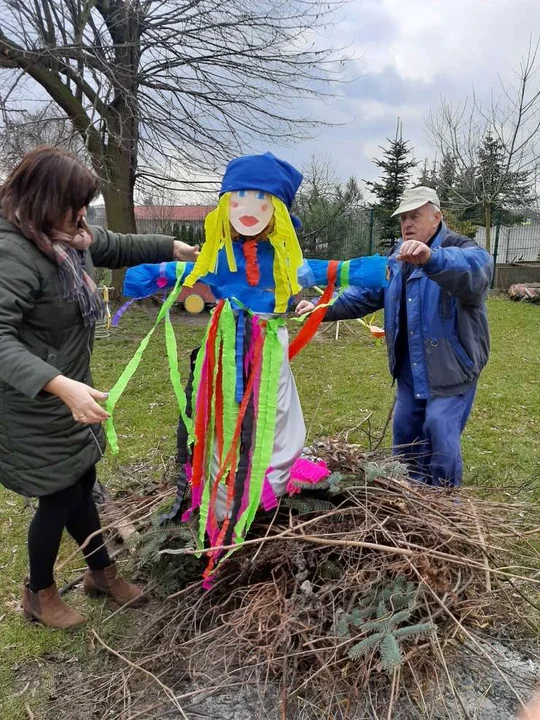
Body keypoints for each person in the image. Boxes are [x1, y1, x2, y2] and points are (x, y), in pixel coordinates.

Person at [117, 152, 387, 583]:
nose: (248, 210)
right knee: (225, 423)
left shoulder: (286, 262)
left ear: (275, 210)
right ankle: (225, 509)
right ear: (225, 205)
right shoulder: (219, 257)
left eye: (260, 201)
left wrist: (383, 269)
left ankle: (269, 485)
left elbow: (333, 270)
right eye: (238, 199)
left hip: (270, 348)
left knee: (276, 416)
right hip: (224, 351)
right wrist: (148, 276)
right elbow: (185, 271)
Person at [0, 146, 198, 628]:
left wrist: (173, 248)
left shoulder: (67, 237)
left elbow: (112, 245)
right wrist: (57, 384)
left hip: (69, 390)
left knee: (82, 479)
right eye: (75, 205)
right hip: (33, 399)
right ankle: (38, 591)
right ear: (47, 201)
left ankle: (100, 573)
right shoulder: (13, 253)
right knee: (58, 493)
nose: (82, 216)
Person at [296, 186, 493, 488]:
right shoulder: (396, 258)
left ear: (437, 217)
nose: (407, 224)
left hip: (452, 369)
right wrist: (322, 307)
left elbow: (475, 275)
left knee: (440, 430)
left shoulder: (462, 248)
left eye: (415, 216)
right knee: (405, 437)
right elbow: (364, 295)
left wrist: (432, 259)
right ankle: (411, 496)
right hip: (410, 370)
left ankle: (443, 502)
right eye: (403, 218)